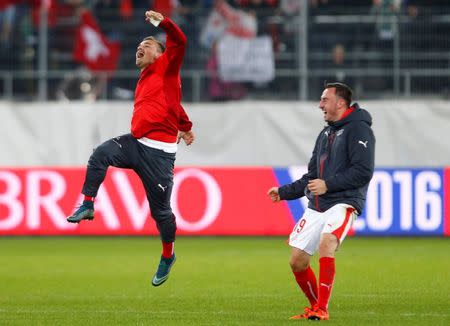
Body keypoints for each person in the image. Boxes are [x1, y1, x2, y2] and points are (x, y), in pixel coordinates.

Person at [66, 9, 195, 287]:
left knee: (160, 214)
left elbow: (181, 41)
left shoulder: (167, 66)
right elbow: (172, 105)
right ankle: (88, 205)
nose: (140, 48)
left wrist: (163, 23)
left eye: (147, 46)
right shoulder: (150, 77)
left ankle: (167, 255)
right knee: (100, 153)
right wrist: (185, 125)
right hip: (136, 143)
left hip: (159, 155)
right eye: (139, 46)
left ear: (161, 54)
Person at [267, 82, 375, 320]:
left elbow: (363, 171)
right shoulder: (326, 133)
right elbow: (312, 175)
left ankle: (322, 310)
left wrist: (329, 185)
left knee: (327, 243)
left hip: (344, 201)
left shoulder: (359, 129)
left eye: (325, 100)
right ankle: (316, 307)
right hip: (318, 204)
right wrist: (284, 192)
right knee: (297, 261)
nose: (320, 105)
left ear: (340, 103)